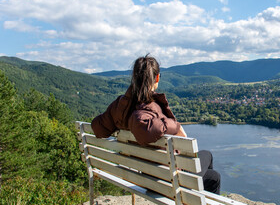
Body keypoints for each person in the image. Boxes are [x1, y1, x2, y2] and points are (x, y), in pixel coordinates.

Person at [91, 55, 221, 194]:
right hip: (167, 180)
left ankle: (192, 194)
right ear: (157, 78)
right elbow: (142, 127)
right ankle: (192, 196)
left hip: (148, 177)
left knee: (214, 177)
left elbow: (97, 128)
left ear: (134, 78)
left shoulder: (119, 106)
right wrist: (174, 126)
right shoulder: (150, 107)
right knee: (207, 155)